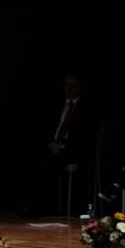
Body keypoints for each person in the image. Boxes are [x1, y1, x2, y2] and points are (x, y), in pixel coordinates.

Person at [42, 74, 96, 215]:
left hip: (73, 149)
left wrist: (62, 145)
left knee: (58, 163)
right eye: (66, 85)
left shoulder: (87, 108)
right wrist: (51, 143)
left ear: (80, 87)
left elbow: (85, 136)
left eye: (73, 85)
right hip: (53, 145)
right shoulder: (56, 104)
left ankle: (63, 209)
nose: (69, 89)